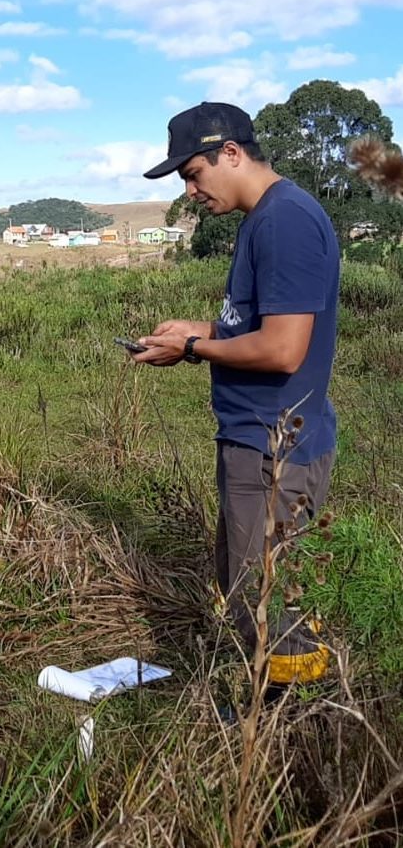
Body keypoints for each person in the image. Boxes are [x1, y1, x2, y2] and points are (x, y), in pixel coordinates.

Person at [135, 101, 339, 686]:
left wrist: (194, 351)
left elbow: (281, 349)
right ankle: (270, 718)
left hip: (276, 445)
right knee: (258, 592)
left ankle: (286, 742)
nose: (192, 191)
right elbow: (261, 326)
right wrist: (199, 330)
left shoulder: (284, 220)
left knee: (272, 606)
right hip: (261, 437)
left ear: (231, 153)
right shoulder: (268, 217)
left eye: (194, 174)